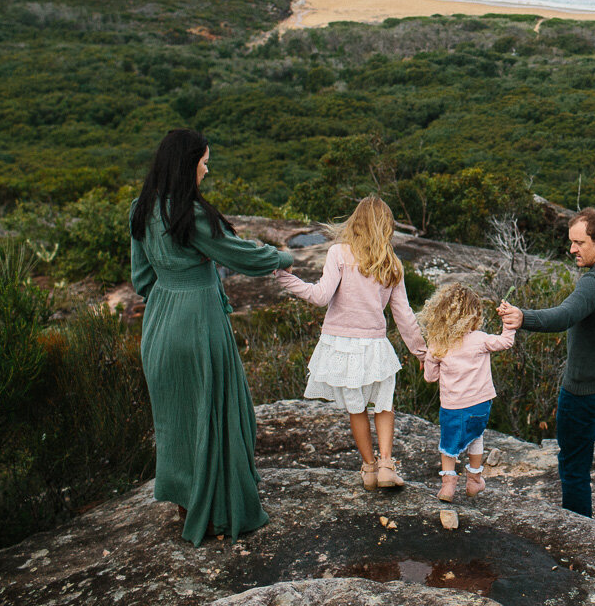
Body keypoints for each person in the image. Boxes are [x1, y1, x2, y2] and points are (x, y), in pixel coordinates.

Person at [129, 128, 296, 546]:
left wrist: (172, 289)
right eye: (204, 161)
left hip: (160, 325)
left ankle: (187, 505)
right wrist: (283, 257)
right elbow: (242, 255)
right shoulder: (190, 215)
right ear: (188, 165)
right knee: (218, 412)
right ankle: (216, 512)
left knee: (178, 421)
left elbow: (141, 279)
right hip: (198, 321)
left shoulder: (141, 209)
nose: (208, 167)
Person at [498, 208, 595, 534]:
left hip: (584, 393)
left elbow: (565, 315)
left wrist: (524, 318)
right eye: (571, 242)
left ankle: (581, 540)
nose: (572, 250)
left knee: (575, 467)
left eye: (579, 243)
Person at [274, 195, 426, 490]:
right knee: (383, 406)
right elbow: (403, 315)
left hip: (340, 345)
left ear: (355, 222)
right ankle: (386, 466)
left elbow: (319, 296)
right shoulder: (391, 263)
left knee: (356, 409)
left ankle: (369, 469)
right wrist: (421, 352)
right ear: (386, 227)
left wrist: (285, 278)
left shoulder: (338, 253)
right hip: (374, 346)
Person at [418, 283, 516, 501]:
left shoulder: (437, 345)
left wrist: (429, 361)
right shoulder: (480, 339)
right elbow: (506, 342)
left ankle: (448, 486)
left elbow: (430, 378)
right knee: (476, 436)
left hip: (453, 406)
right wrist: (508, 322)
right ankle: (473, 481)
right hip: (481, 404)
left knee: (449, 444)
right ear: (473, 314)